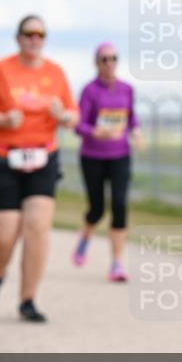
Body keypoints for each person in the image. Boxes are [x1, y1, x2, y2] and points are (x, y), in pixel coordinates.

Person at [0, 15, 78, 323]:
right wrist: (2, 120)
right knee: (4, 234)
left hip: (43, 157)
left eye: (40, 34)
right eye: (29, 33)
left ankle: (27, 299)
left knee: (37, 227)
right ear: (18, 38)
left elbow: (73, 115)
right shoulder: (1, 69)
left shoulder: (55, 72)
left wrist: (63, 115)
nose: (35, 39)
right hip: (4, 158)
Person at [71, 42, 142, 281]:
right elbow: (78, 125)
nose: (109, 63)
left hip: (120, 155)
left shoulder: (127, 89)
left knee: (120, 205)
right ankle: (85, 236)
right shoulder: (89, 90)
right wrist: (96, 132)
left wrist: (137, 131)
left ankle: (117, 263)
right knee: (97, 209)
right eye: (104, 59)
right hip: (92, 156)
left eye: (114, 58)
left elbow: (131, 118)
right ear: (97, 63)